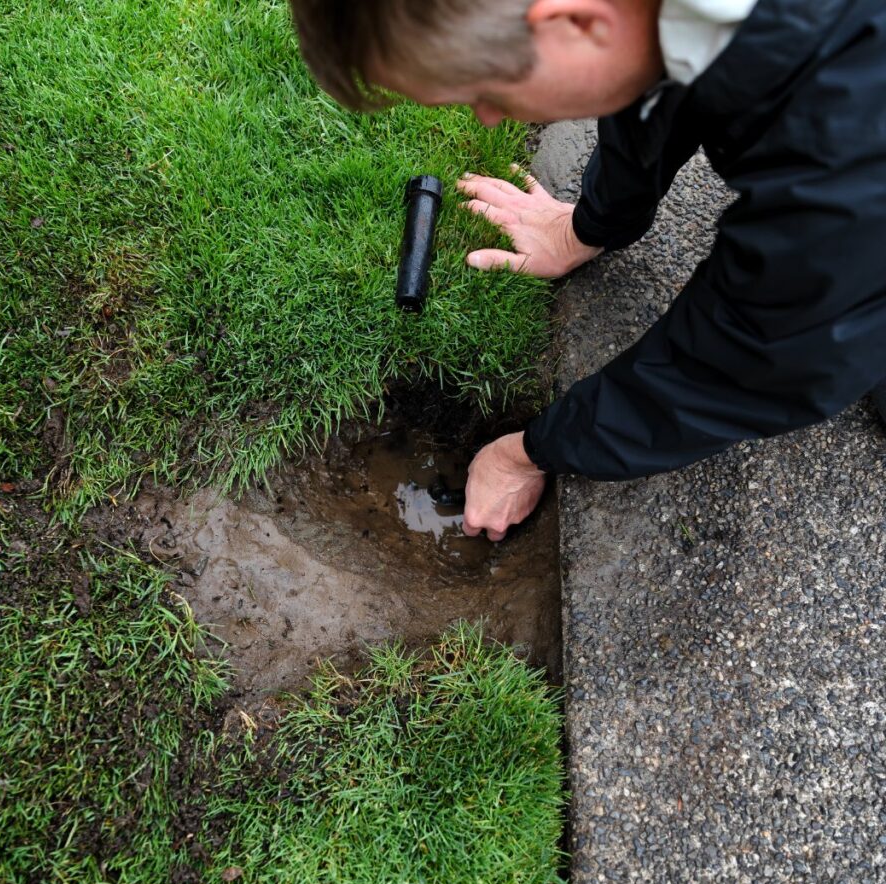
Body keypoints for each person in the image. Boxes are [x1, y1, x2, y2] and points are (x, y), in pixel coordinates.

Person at [289, 0, 886, 541]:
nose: (489, 118)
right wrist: (590, 225)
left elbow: (767, 351)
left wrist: (528, 452)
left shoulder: (843, 137)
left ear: (573, 22)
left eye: (488, 93)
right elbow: (644, 70)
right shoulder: (661, 19)